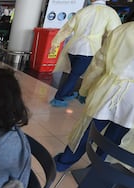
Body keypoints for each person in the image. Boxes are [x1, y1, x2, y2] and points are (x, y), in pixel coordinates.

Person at [54, 22, 134, 172]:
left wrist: (85, 90)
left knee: (86, 131)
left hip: (108, 89)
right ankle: (96, 169)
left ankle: (63, 162)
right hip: (132, 103)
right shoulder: (112, 16)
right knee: (114, 139)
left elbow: (98, 64)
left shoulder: (123, 29)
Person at [49, 0, 121, 107]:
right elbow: (115, 33)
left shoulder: (83, 11)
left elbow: (67, 28)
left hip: (73, 47)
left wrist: (55, 42)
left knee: (73, 73)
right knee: (75, 75)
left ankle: (68, 93)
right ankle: (59, 97)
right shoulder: (110, 12)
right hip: (89, 49)